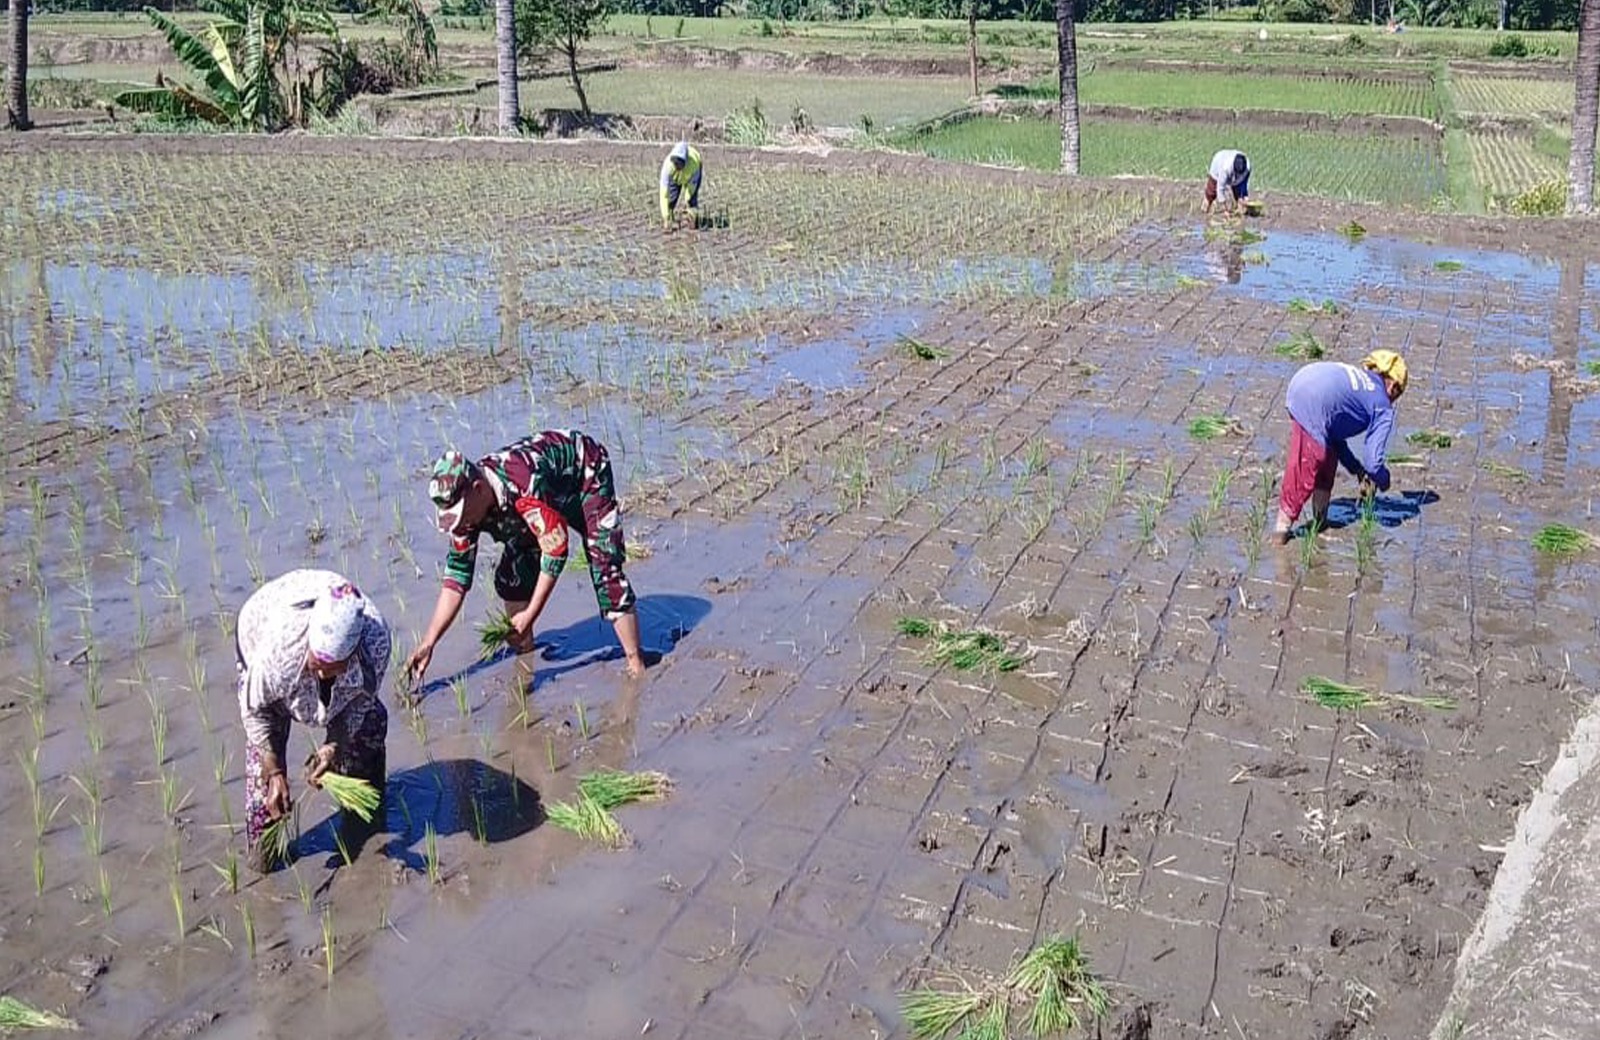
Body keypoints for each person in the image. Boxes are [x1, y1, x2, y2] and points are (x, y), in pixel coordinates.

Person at [407, 429, 646, 687]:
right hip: (533, 508)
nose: (459, 523)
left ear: (477, 489)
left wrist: (531, 613)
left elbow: (555, 551)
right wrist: (429, 641)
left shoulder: (523, 485)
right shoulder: (468, 513)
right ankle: (525, 659)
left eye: (460, 514)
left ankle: (636, 665)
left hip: (585, 474)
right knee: (512, 577)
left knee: (605, 567)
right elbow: (456, 577)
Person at [236, 569, 392, 871]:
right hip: (258, 631)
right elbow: (255, 710)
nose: (321, 673)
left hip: (334, 658)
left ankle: (363, 820)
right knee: (266, 798)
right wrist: (274, 769)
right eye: (317, 664)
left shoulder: (375, 646)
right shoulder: (278, 652)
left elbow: (360, 703)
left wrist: (333, 747)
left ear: (352, 655)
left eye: (332, 667)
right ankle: (263, 856)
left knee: (371, 723)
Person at [1271, 351, 1409, 544]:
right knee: (1305, 467)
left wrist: (1356, 469)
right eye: (1399, 394)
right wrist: (1384, 482)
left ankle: (1320, 521)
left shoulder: (1362, 384)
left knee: (1328, 455)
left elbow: (1336, 439)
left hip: (1303, 382)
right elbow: (1374, 463)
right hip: (1313, 399)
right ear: (1393, 386)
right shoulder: (1382, 405)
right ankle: (1280, 532)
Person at [659, 141, 703, 232]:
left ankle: (692, 220)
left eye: (680, 164)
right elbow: (664, 194)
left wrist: (687, 200)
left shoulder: (694, 165)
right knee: (671, 199)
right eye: (675, 164)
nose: (677, 166)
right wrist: (665, 217)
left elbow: (692, 187)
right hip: (675, 178)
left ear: (685, 162)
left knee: (692, 201)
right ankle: (669, 221)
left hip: (691, 176)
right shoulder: (668, 167)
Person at [1204, 149, 1252, 217]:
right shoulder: (1225, 168)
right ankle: (1205, 211)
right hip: (1218, 164)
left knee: (1240, 195)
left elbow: (1244, 184)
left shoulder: (1247, 167)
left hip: (1232, 169)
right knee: (1211, 193)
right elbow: (1220, 189)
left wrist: (1244, 197)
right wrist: (1225, 210)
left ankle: (1240, 214)